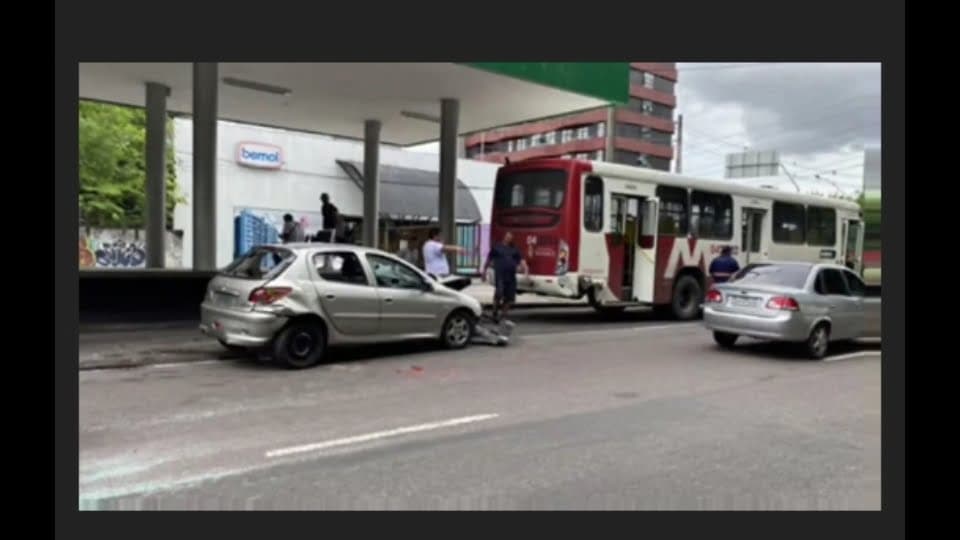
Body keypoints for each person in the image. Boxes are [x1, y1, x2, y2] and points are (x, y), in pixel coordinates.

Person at [482, 231, 528, 323]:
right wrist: (484, 272)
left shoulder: (514, 249)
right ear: (504, 237)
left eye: (510, 237)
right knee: (499, 293)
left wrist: (526, 271)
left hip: (511, 276)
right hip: (500, 275)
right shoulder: (497, 247)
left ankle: (503, 316)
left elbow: (522, 261)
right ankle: (495, 312)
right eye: (507, 236)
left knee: (509, 298)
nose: (508, 238)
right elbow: (488, 259)